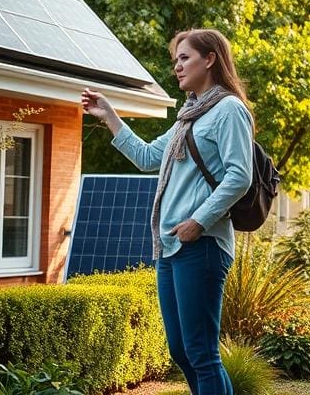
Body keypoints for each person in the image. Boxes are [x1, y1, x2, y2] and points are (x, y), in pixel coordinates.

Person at [81, 29, 253, 395]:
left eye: (184, 57)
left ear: (210, 59)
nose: (176, 66)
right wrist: (109, 114)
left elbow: (240, 175)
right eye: (176, 60)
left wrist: (199, 221)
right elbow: (146, 158)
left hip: (202, 244)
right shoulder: (187, 117)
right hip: (172, 246)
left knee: (202, 354)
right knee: (182, 351)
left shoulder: (229, 110)